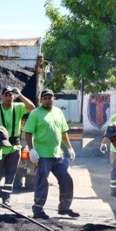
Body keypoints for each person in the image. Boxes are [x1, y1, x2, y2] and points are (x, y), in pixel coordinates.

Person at [23, 89, 79, 220]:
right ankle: (37, 209)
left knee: (67, 178)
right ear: (41, 100)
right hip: (42, 156)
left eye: (50, 98)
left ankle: (64, 207)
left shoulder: (58, 112)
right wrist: (31, 149)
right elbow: (28, 133)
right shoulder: (35, 113)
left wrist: (69, 148)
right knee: (42, 182)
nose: (48, 100)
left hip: (58, 155)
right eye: (45, 98)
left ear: (54, 99)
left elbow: (63, 132)